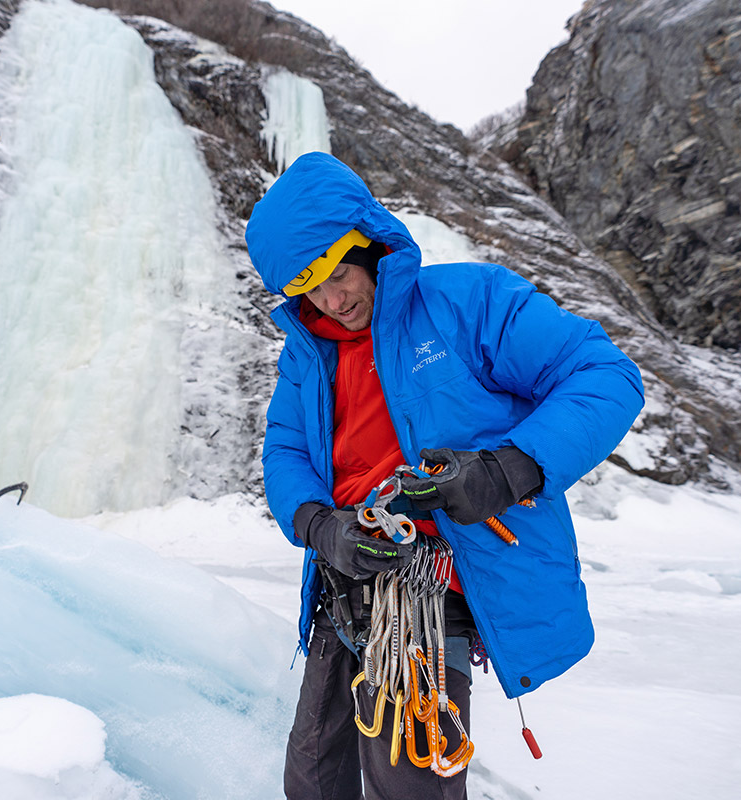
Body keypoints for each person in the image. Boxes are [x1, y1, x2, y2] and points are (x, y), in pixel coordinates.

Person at [245, 151, 645, 800]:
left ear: (371, 246)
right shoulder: (308, 355)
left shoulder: (469, 303)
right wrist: (321, 527)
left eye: (339, 275)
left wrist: (502, 471)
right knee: (314, 778)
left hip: (435, 584)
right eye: (311, 289)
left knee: (409, 783)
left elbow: (605, 376)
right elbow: (285, 451)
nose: (332, 299)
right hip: (343, 582)